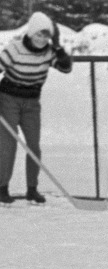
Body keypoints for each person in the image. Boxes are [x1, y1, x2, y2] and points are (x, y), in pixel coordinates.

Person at [0, 12, 73, 204]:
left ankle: (32, 189)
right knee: (8, 144)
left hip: (32, 103)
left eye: (46, 36)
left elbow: (66, 68)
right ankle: (2, 188)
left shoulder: (49, 52)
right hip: (8, 99)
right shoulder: (14, 48)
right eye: (38, 35)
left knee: (34, 146)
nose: (42, 39)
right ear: (31, 33)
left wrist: (58, 47)